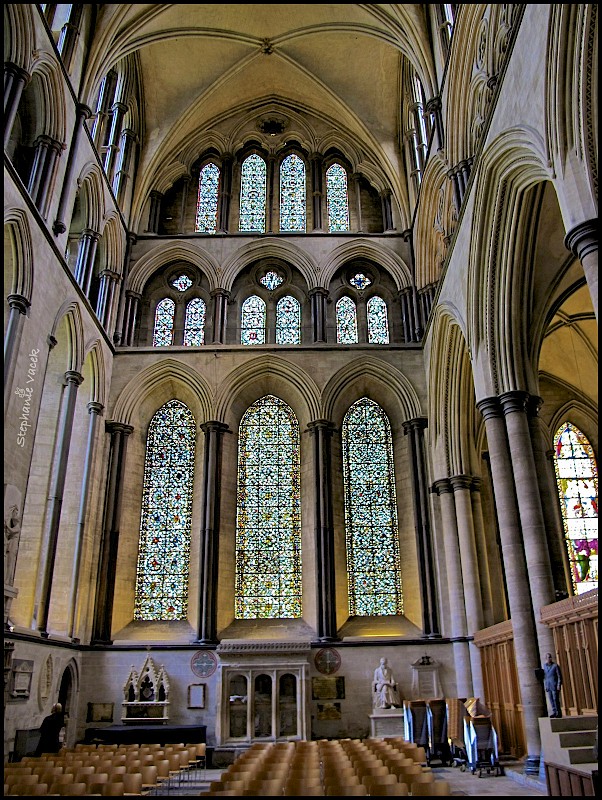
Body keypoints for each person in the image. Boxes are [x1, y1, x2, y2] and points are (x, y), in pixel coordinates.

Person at [543, 652, 563, 718]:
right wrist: (545, 685)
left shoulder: (555, 666)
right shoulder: (545, 666)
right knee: (551, 699)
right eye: (548, 657)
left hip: (554, 685)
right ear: (546, 658)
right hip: (548, 685)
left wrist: (558, 685)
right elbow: (545, 677)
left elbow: (559, 676)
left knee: (555, 699)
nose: (550, 658)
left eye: (550, 657)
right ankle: (554, 712)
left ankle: (558, 712)